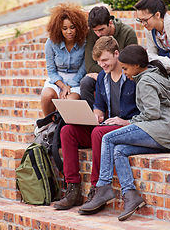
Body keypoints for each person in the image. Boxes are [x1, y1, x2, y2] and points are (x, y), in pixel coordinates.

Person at [79, 44, 170, 221]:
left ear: (136, 65)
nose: (124, 72)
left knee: (108, 138)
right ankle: (131, 194)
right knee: (119, 150)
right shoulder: (152, 76)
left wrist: (128, 122)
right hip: (165, 135)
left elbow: (152, 113)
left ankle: (103, 187)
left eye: (125, 68)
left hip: (159, 131)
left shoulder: (146, 81)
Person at [53, 36, 140, 212]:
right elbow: (99, 109)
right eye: (99, 61)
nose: (102, 64)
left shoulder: (131, 75)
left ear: (117, 54)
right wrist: (95, 117)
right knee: (67, 131)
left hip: (127, 127)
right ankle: (73, 189)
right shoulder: (102, 77)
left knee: (98, 133)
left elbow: (143, 112)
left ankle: (97, 189)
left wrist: (124, 121)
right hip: (107, 125)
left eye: (105, 60)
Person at [81, 6, 138, 109]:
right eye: (95, 31)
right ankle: (91, 119)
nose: (99, 34)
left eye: (101, 29)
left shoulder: (128, 33)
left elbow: (132, 65)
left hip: (125, 75)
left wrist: (104, 75)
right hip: (104, 73)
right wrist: (105, 74)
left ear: (110, 23)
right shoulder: (92, 34)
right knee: (86, 82)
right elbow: (90, 67)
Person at [40, 3, 88, 117]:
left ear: (78, 27)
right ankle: (48, 125)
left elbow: (83, 68)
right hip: (57, 79)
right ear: (58, 28)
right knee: (46, 96)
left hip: (77, 79)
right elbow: (51, 70)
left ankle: (61, 129)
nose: (69, 32)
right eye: (64, 28)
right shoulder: (51, 43)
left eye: (72, 27)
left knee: (69, 103)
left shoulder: (85, 43)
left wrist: (69, 86)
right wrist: (62, 86)